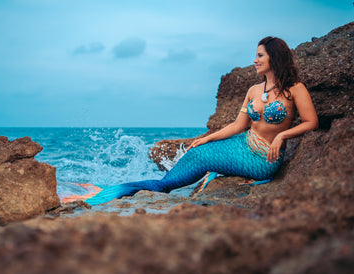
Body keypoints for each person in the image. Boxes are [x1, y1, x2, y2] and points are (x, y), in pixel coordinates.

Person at [82, 36, 318, 205]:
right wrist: (206, 138)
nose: (255, 60)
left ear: (274, 58)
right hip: (243, 144)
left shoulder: (295, 89)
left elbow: (311, 122)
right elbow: (238, 126)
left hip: (264, 159)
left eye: (259, 56)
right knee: (197, 153)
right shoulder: (254, 90)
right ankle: (118, 190)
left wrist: (281, 136)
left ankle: (114, 192)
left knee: (192, 163)